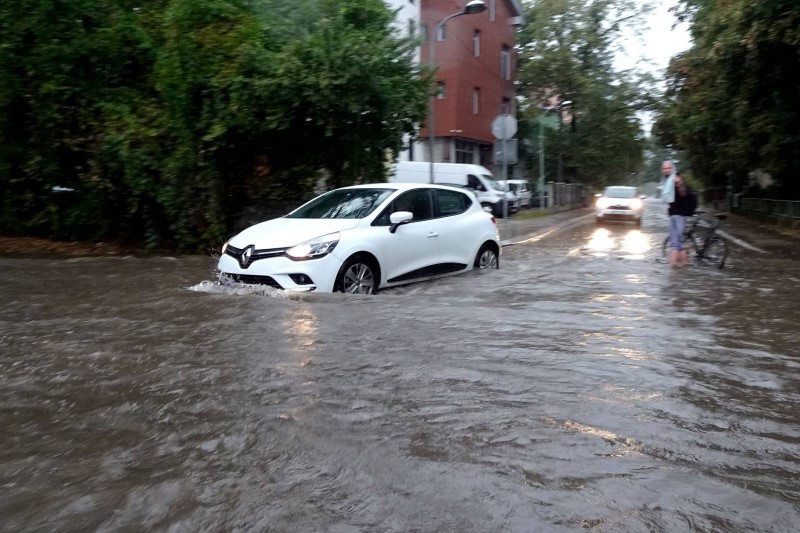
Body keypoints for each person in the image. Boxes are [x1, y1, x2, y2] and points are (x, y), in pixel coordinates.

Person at [661, 161, 697, 267]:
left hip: (679, 215)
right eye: (664, 168)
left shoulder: (676, 179)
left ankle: (673, 268)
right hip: (675, 214)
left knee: (674, 243)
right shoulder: (668, 180)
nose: (666, 170)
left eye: (668, 168)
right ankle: (683, 268)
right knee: (679, 243)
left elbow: (683, 194)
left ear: (673, 169)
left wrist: (679, 183)